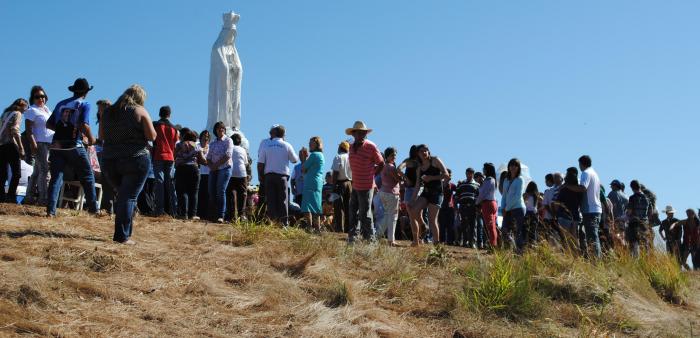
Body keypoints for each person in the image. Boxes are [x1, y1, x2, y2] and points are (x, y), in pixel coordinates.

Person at [99, 84, 157, 244]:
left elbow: (101, 135)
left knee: (124, 196)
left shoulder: (108, 112)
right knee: (129, 197)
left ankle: (126, 231)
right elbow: (152, 136)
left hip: (109, 160)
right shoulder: (139, 110)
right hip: (134, 158)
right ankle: (122, 236)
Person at [45, 78, 99, 216]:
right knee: (87, 175)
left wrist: (60, 129)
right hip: (75, 145)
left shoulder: (60, 104)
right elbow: (83, 124)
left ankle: (50, 211)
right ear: (86, 92)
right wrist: (92, 139)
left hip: (57, 145)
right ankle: (93, 208)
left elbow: (49, 124)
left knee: (56, 177)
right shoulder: (84, 104)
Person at [346, 121, 384, 243]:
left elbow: (381, 162)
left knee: (365, 213)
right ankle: (353, 235)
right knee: (352, 210)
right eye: (359, 132)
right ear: (354, 134)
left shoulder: (371, 146)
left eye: (364, 133)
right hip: (356, 184)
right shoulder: (351, 147)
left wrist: (373, 174)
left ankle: (370, 238)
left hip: (367, 185)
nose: (362, 134)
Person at [257, 124, 298, 226]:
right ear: (283, 134)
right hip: (282, 177)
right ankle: (284, 223)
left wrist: (260, 176)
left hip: (269, 176)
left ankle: (273, 223)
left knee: (271, 201)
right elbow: (294, 160)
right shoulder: (287, 145)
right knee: (283, 201)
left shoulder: (266, 145)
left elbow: (260, 163)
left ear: (274, 133)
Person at [408, 144, 448, 246]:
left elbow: (446, 175)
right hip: (426, 192)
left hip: (437, 193)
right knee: (413, 210)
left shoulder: (435, 160)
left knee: (432, 219)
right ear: (418, 154)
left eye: (426, 150)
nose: (424, 152)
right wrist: (412, 200)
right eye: (421, 151)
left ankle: (436, 244)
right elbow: (417, 185)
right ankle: (423, 226)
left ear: (428, 151)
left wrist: (431, 178)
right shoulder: (419, 168)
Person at [564, 156, 603, 258]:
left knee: (592, 237)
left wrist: (567, 186)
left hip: (590, 210)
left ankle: (596, 261)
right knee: (594, 236)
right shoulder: (595, 173)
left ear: (582, 163)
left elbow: (582, 188)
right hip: (596, 209)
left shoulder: (586, 173)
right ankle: (596, 259)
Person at [24, 86, 54, 205]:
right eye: (37, 97)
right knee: (45, 170)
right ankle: (43, 199)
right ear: (33, 98)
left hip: (49, 144)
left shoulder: (47, 110)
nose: (40, 98)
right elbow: (28, 130)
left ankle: (29, 197)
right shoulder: (32, 110)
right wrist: (33, 144)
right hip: (40, 144)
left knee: (37, 172)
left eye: (42, 96)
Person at [152, 105, 179, 216]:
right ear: (169, 114)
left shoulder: (156, 125)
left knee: (159, 183)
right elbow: (175, 144)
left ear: (159, 114)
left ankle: (159, 210)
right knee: (170, 184)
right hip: (170, 157)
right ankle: (174, 211)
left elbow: (152, 138)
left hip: (159, 155)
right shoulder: (174, 129)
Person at [174, 128, 206, 220]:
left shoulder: (179, 145)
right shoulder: (196, 146)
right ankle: (193, 214)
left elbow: (174, 155)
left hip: (181, 169)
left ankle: (183, 214)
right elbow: (203, 160)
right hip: (194, 169)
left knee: (182, 191)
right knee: (194, 192)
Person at [0, 98, 28, 203]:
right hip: (11, 145)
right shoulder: (17, 113)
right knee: (17, 173)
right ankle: (11, 196)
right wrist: (21, 147)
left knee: (2, 173)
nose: (25, 110)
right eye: (26, 107)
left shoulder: (5, 114)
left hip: (1, 145)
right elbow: (15, 130)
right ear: (22, 106)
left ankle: (1, 197)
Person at [207, 121, 233, 223]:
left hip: (224, 168)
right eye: (218, 128)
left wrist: (215, 165)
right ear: (215, 130)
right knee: (211, 191)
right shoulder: (213, 143)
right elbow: (208, 157)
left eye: (222, 128)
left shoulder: (228, 140)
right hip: (213, 169)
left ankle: (221, 215)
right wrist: (211, 165)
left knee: (220, 191)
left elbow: (228, 155)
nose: (221, 130)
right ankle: (213, 214)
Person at [377, 147, 402, 245]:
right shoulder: (391, 167)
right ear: (387, 156)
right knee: (393, 217)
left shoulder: (383, 165)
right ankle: (391, 239)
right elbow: (398, 179)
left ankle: (377, 235)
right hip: (392, 193)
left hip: (383, 192)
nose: (394, 157)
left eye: (395, 155)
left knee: (387, 215)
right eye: (392, 155)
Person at [501, 158, 526, 251]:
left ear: (518, 167)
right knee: (504, 230)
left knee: (518, 231)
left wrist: (506, 208)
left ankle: (519, 252)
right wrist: (502, 208)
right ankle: (509, 250)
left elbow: (517, 196)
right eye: (511, 165)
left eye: (515, 165)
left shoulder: (520, 179)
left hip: (518, 208)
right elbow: (504, 196)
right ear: (508, 167)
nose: (513, 167)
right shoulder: (506, 180)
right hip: (507, 209)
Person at [94, 99, 114, 214]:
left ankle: (106, 207)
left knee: (107, 179)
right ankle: (107, 207)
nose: (98, 111)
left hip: (110, 151)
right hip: (110, 150)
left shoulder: (107, 119)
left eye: (100, 109)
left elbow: (102, 137)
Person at [301, 137, 325, 232]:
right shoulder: (321, 155)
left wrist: (303, 158)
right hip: (318, 182)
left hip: (311, 181)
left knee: (307, 205)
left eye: (312, 143)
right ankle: (318, 228)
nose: (309, 145)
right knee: (316, 205)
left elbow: (303, 168)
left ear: (317, 144)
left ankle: (309, 227)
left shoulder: (314, 155)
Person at [225, 133, 249, 222]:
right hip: (241, 173)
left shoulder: (229, 149)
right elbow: (246, 163)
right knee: (242, 194)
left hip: (230, 172)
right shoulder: (243, 150)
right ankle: (242, 215)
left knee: (230, 194)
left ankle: (231, 216)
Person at [455, 168, 480, 248]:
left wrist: (478, 207)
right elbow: (457, 195)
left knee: (473, 225)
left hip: (473, 207)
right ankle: (465, 241)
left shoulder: (477, 185)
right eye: (467, 173)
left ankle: (472, 242)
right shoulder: (461, 184)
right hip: (463, 206)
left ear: (473, 174)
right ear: (465, 174)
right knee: (464, 224)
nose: (469, 175)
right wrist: (457, 206)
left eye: (470, 173)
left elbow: (479, 196)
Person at [476, 163, 498, 248]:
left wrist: (476, 203)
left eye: (484, 168)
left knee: (490, 226)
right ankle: (495, 244)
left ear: (487, 170)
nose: (483, 170)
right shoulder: (492, 179)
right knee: (492, 226)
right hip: (492, 203)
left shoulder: (488, 179)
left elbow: (482, 194)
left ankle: (493, 246)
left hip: (487, 203)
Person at [331, 141, 352, 233]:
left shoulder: (338, 157)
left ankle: (339, 228)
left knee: (338, 206)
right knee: (348, 207)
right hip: (349, 183)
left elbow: (335, 172)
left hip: (340, 184)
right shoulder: (351, 157)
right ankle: (348, 228)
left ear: (340, 148)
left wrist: (333, 185)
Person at [626, 180, 650, 257]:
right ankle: (645, 261)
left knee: (634, 244)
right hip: (644, 223)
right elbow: (651, 211)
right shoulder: (647, 198)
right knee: (644, 243)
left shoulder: (632, 198)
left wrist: (625, 215)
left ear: (632, 188)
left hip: (634, 223)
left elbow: (629, 212)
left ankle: (635, 262)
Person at [439, 169, 457, 244]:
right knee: (442, 224)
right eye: (448, 174)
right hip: (442, 206)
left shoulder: (452, 185)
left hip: (450, 207)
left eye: (450, 175)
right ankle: (442, 240)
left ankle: (450, 240)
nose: (450, 176)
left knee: (450, 225)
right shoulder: (440, 184)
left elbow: (458, 192)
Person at [196, 130, 211, 220]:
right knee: (199, 194)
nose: (206, 137)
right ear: (201, 137)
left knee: (207, 195)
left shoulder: (210, 147)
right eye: (204, 135)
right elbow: (201, 160)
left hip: (208, 173)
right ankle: (198, 213)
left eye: (207, 136)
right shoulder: (197, 146)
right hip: (199, 173)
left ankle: (206, 214)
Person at [523, 181, 542, 245]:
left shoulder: (525, 194)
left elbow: (523, 202)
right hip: (534, 213)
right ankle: (533, 244)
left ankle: (525, 243)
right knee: (533, 230)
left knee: (526, 230)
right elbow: (543, 201)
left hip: (527, 213)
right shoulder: (537, 195)